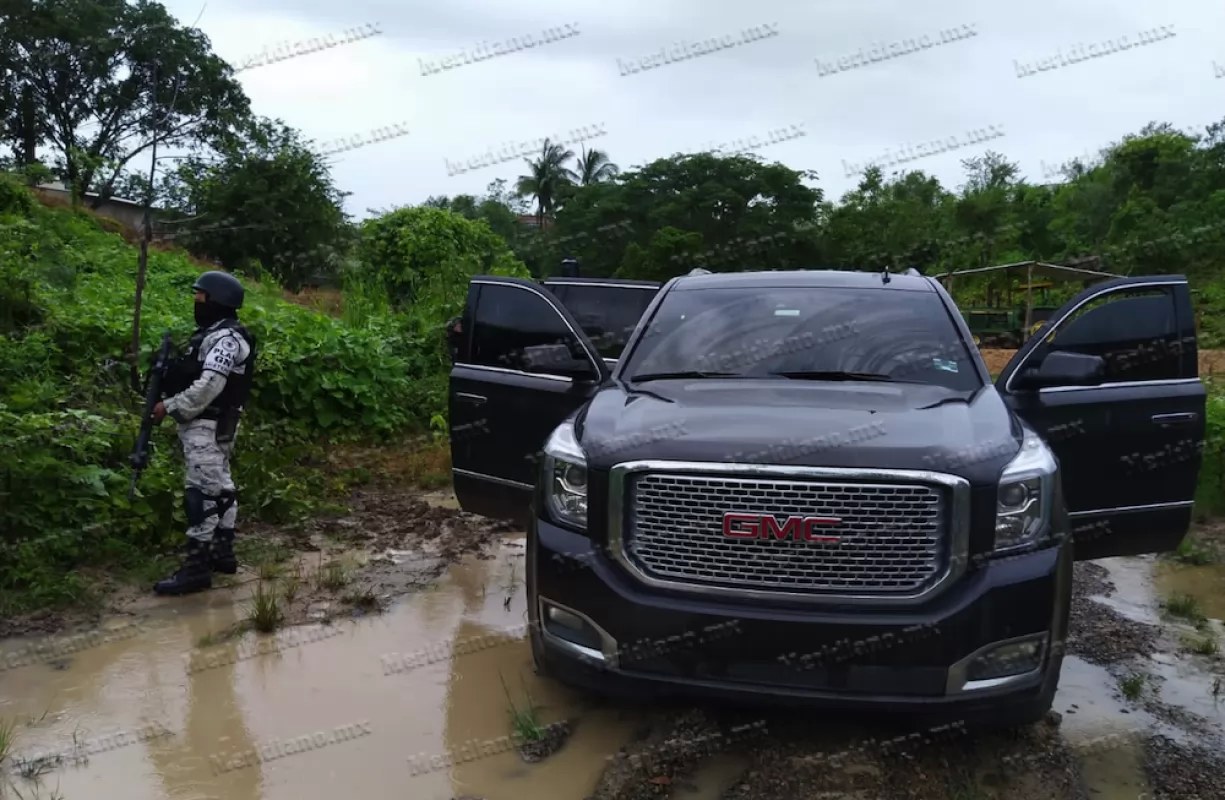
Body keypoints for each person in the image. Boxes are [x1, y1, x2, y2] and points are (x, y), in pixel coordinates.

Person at [151, 271, 257, 596]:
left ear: (217, 300)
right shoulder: (213, 333)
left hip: (208, 424)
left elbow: (209, 385)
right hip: (213, 424)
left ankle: (196, 569)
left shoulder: (225, 339)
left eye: (201, 297)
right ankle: (222, 554)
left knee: (202, 494)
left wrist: (169, 406)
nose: (196, 302)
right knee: (221, 486)